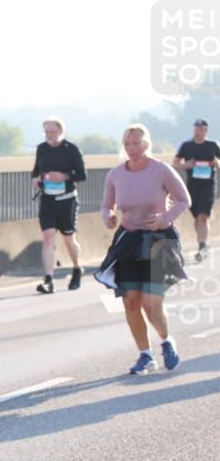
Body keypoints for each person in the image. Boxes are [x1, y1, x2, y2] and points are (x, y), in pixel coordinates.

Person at [95, 124, 190, 375]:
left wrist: (165, 219)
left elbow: (184, 200)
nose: (131, 148)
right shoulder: (116, 174)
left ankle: (167, 340)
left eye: (136, 143)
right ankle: (145, 355)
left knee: (151, 302)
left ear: (146, 144)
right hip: (128, 242)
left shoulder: (161, 170)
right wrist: (108, 217)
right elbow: (106, 205)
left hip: (158, 241)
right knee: (131, 302)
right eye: (127, 144)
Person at [30, 117, 87, 293]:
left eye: (52, 132)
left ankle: (77, 268)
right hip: (47, 200)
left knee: (69, 240)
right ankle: (48, 280)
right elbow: (35, 171)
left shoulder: (71, 149)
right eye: (46, 132)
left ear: (61, 132)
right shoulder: (42, 149)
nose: (49, 135)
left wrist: (64, 177)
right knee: (48, 238)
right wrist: (36, 179)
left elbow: (82, 175)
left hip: (67, 200)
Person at [172, 118, 219, 263]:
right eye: (195, 129)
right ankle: (202, 242)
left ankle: (202, 246)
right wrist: (187, 165)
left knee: (203, 216)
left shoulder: (212, 145)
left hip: (208, 185)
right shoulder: (187, 146)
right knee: (197, 216)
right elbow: (175, 163)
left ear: (206, 131)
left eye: (200, 129)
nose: (197, 132)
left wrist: (217, 163)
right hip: (192, 186)